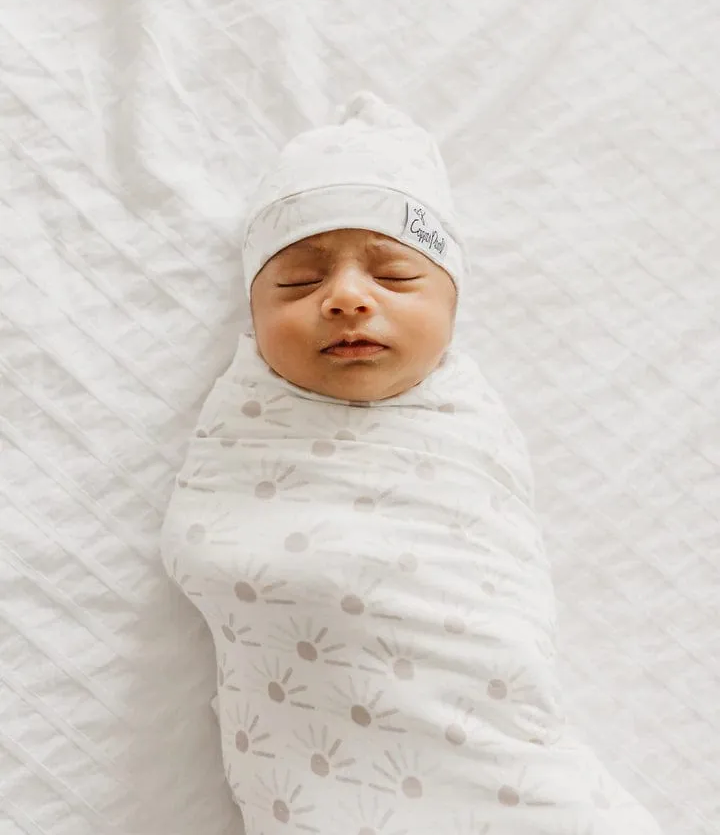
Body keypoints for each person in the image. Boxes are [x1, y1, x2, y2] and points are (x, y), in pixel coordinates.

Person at [160, 92, 662, 834]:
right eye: (299, 282)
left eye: (394, 276)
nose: (348, 299)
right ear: (254, 316)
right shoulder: (245, 427)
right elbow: (213, 546)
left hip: (501, 767)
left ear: (453, 306)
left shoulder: (465, 427)